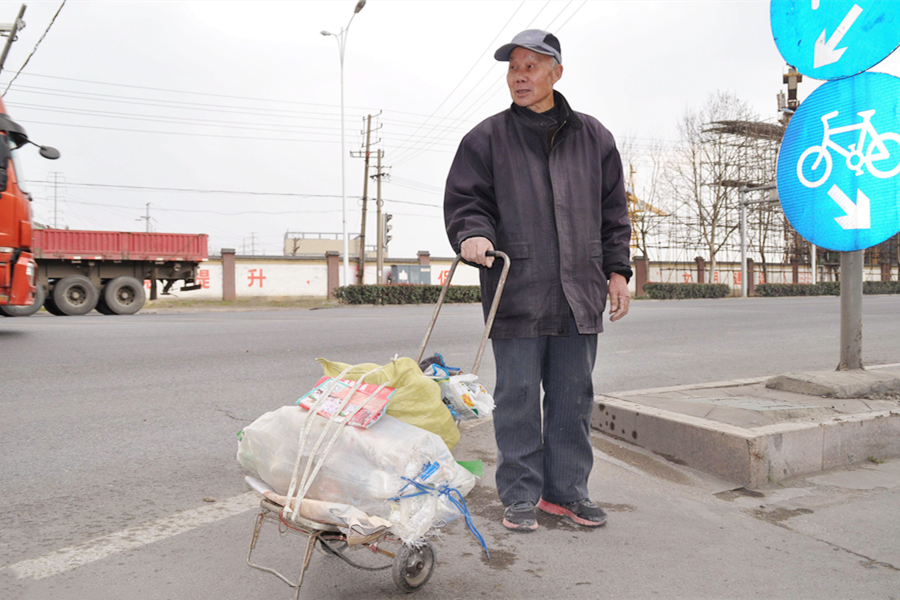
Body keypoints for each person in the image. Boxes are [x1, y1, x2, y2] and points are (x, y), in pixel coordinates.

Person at [443, 29, 632, 532]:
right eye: (513, 68)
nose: (520, 76)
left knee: (573, 397)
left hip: (579, 292)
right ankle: (521, 495)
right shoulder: (486, 138)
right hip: (517, 289)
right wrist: (473, 235)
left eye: (530, 66)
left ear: (556, 73)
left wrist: (617, 270)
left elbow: (614, 213)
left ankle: (566, 493)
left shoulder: (595, 138)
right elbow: (467, 202)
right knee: (519, 398)